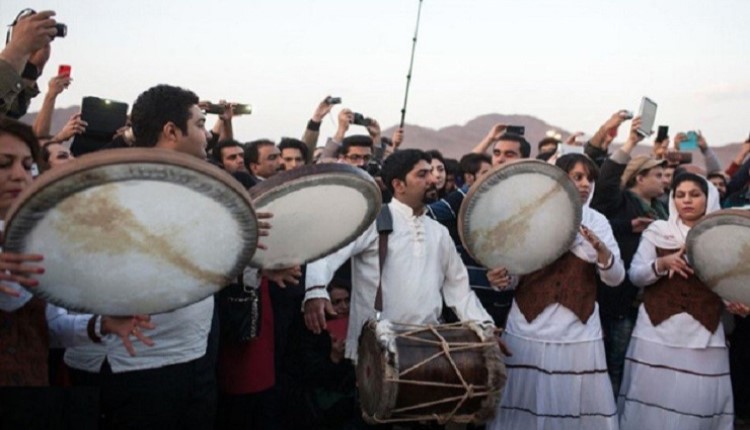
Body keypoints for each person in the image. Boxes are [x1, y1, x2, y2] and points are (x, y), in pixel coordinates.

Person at [303, 149, 495, 362]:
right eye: (422, 174)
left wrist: (484, 328)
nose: (433, 179)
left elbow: (458, 289)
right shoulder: (373, 220)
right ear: (398, 185)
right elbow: (327, 252)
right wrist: (315, 290)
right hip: (376, 351)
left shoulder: (438, 231)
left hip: (427, 346)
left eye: (432, 172)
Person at [487, 153, 625, 430]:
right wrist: (498, 278)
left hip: (578, 330)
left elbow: (616, 278)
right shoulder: (527, 216)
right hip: (529, 327)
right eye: (577, 177)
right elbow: (512, 276)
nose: (585, 184)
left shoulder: (597, 222)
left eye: (589, 178)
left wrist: (601, 252)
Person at [618, 173, 750, 430]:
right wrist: (661, 264)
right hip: (656, 331)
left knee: (697, 400)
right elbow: (635, 275)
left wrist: (739, 305)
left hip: (704, 333)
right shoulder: (658, 231)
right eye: (680, 195)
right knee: (652, 397)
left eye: (695, 195)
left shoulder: (723, 235)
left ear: (708, 198)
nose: (686, 200)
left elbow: (731, 283)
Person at [590, 117, 670, 395]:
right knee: (615, 366)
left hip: (652, 303)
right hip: (620, 301)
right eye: (657, 175)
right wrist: (632, 142)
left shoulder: (662, 209)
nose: (664, 180)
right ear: (639, 178)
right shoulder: (619, 202)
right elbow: (607, 182)